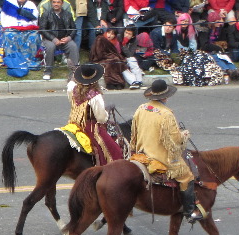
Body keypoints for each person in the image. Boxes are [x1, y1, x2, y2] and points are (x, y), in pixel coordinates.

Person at [130, 79, 203, 222]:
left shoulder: (142, 108)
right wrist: (184, 134)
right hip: (158, 156)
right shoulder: (166, 114)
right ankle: (189, 211)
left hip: (141, 152)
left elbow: (134, 132)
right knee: (186, 176)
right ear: (165, 96)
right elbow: (174, 140)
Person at [66, 63, 123, 165]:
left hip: (73, 123)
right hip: (89, 127)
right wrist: (107, 111)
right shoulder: (95, 96)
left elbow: (70, 83)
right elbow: (101, 118)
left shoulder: (72, 88)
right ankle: (108, 167)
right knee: (115, 151)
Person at [38, 0, 78, 81]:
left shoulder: (68, 14)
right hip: (50, 39)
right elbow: (42, 29)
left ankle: (74, 72)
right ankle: (48, 71)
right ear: (52, 3)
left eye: (58, 2)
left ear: (62, 3)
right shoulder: (46, 14)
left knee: (73, 46)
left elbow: (74, 29)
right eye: (54, 2)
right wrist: (53, 39)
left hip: (65, 39)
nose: (56, 4)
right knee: (51, 47)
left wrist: (69, 38)